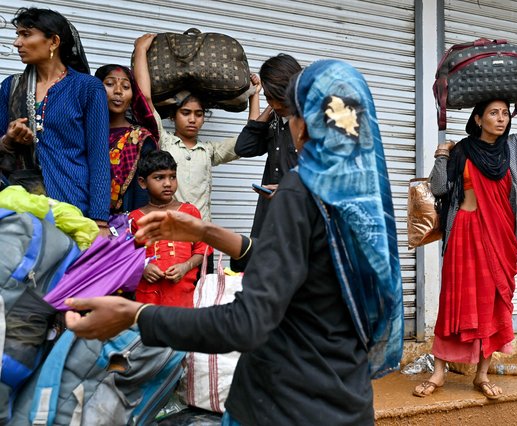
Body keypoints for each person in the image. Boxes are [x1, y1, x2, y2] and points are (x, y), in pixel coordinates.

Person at [65, 59, 404, 426]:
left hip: (280, 404)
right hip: (348, 403)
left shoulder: (300, 190)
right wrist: (205, 232)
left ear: (303, 126)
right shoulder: (365, 201)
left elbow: (246, 324)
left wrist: (134, 315)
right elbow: (307, 270)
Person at [413, 55, 517, 400]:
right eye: (493, 113)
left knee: (494, 303)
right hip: (464, 236)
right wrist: (440, 156)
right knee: (454, 303)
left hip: (500, 239)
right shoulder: (461, 150)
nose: (501, 118)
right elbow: (437, 188)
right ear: (477, 118)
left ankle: (481, 374)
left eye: (505, 113)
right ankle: (438, 374)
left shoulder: (514, 146)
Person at [0, 7, 111, 236]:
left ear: (53, 41)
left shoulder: (87, 88)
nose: (17, 43)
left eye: (26, 34)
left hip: (71, 203)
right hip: (19, 206)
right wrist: (8, 140)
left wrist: (99, 220)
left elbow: (99, 156)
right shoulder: (10, 87)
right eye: (18, 34)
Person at [132, 33, 239, 224]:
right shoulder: (164, 141)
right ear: (173, 116)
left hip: (203, 235)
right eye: (186, 112)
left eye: (198, 114)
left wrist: (254, 95)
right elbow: (145, 98)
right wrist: (140, 50)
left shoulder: (209, 151)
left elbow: (247, 140)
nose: (192, 119)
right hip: (171, 233)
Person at [232, 54, 302, 271]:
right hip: (268, 216)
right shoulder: (274, 119)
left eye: (277, 97)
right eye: (271, 97)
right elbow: (244, 146)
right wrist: (268, 108)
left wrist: (288, 190)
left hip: (298, 217)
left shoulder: (310, 124)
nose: (275, 103)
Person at [129, 150, 206, 308]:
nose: (168, 183)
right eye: (159, 177)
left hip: (183, 294)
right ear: (143, 182)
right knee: (151, 331)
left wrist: (185, 267)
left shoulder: (189, 212)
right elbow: (127, 254)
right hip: (148, 296)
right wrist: (143, 267)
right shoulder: (134, 218)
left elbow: (202, 249)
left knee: (182, 331)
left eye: (172, 176)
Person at [95, 64, 159, 214]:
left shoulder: (141, 139)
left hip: (126, 226)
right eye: (109, 84)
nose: (118, 91)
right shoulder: (82, 133)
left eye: (125, 87)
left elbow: (144, 192)